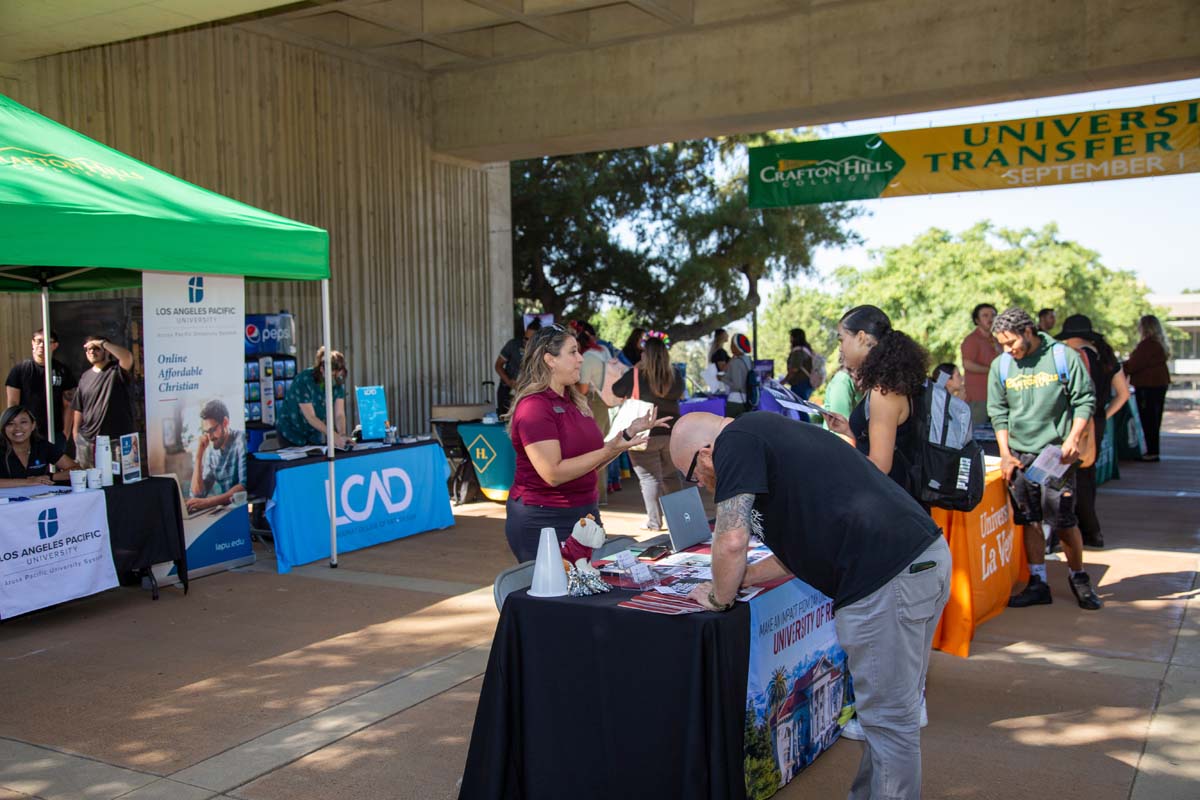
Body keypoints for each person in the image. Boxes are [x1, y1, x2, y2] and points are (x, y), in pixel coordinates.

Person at [669, 411, 950, 800]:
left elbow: (731, 540)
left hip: (887, 578)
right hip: (914, 562)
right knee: (887, 717)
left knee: (888, 723)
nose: (700, 484)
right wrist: (744, 577)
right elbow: (802, 545)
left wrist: (719, 595)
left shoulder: (734, 442)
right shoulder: (764, 434)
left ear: (705, 453)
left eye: (692, 475)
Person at [503, 324, 667, 562]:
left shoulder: (575, 402)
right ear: (550, 360)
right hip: (545, 520)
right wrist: (609, 449)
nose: (581, 359)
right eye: (573, 352)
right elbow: (553, 474)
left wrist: (626, 436)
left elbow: (591, 462)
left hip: (585, 515)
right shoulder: (534, 407)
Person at [987, 307, 1100, 610]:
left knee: (1063, 520)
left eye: (1011, 342)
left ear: (1028, 332)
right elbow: (998, 412)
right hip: (1020, 456)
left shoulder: (1063, 356)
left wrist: (1073, 438)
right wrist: (1005, 454)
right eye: (1001, 344)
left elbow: (1084, 400)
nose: (1007, 350)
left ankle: (1078, 576)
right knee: (1029, 520)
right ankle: (1038, 582)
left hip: (1056, 455)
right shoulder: (1001, 365)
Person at [825, 305, 929, 492]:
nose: (840, 348)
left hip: (893, 501)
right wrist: (849, 430)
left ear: (861, 337)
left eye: (842, 340)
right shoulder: (892, 382)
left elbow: (880, 466)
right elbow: (894, 441)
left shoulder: (884, 391)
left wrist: (834, 463)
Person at [1056, 315, 1129, 548]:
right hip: (1095, 421)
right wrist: (1103, 416)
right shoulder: (1104, 355)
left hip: (1077, 422)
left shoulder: (1075, 356)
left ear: (1070, 338)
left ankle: (1077, 530)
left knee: (1070, 477)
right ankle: (1091, 531)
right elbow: (1123, 394)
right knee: (1086, 476)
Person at [612, 333, 684, 531]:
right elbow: (680, 393)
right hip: (671, 433)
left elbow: (616, 390)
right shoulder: (675, 375)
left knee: (649, 478)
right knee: (671, 476)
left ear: (646, 354)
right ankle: (680, 521)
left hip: (644, 433)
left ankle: (654, 522)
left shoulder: (636, 374)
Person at [71, 334, 136, 468]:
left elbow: (127, 357)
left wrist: (103, 343)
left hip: (116, 440)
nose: (92, 351)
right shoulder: (85, 377)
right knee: (89, 478)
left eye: (96, 348)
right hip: (88, 442)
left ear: (107, 351)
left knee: (118, 479)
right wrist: (76, 433)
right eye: (88, 349)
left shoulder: (116, 371)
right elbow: (79, 407)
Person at [5, 328, 77, 443]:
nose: (42, 345)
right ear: (32, 343)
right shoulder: (20, 370)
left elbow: (68, 405)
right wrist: (16, 431)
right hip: (27, 433)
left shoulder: (62, 371)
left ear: (55, 345)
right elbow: (13, 404)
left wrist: (65, 434)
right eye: (38, 341)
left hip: (55, 433)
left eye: (47, 342)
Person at [276, 347, 350, 448]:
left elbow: (339, 414)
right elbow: (310, 417)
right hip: (291, 430)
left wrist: (342, 434)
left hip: (313, 432)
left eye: (338, 376)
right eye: (332, 375)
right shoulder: (304, 380)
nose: (335, 380)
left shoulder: (338, 382)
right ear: (322, 369)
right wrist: (333, 436)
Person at [1124, 314, 1171, 463]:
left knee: (1149, 419)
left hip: (1148, 386)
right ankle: (1153, 450)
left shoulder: (1147, 345)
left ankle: (1152, 452)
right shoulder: (1159, 344)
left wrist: (1118, 368)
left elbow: (1134, 364)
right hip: (1158, 384)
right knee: (1154, 419)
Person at [187, 398, 248, 512]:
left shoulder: (241, 440)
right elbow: (198, 494)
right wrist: (199, 456)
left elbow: (244, 487)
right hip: (229, 510)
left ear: (225, 422)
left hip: (244, 508)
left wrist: (208, 502)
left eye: (212, 430)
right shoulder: (212, 453)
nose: (210, 437)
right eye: (206, 432)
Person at [0, 405, 80, 487]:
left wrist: (49, 477)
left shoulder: (42, 446)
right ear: (3, 428)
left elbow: (76, 469)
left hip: (40, 494)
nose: (17, 428)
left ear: (33, 425)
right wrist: (28, 482)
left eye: (23, 422)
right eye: (10, 424)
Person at [960, 303, 999, 425]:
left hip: (997, 396)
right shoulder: (971, 340)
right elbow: (967, 364)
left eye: (993, 315)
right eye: (985, 315)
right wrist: (991, 370)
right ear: (977, 320)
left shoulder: (997, 340)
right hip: (978, 397)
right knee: (977, 431)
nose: (990, 319)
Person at [495, 318, 541, 417]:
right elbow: (498, 365)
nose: (526, 342)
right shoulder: (513, 345)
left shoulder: (541, 351)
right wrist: (509, 382)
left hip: (528, 392)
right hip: (507, 390)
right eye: (525, 338)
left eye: (530, 340)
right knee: (504, 418)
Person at [724, 333, 753, 418]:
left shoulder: (736, 362)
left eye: (732, 344)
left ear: (737, 346)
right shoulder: (748, 360)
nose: (730, 347)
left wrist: (722, 379)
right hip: (746, 399)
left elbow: (737, 385)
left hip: (735, 400)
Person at [784, 328, 816, 400]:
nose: (790, 339)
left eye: (791, 336)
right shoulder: (806, 349)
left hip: (799, 384)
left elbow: (794, 368)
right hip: (806, 383)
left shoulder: (798, 351)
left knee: (798, 404)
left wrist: (784, 381)